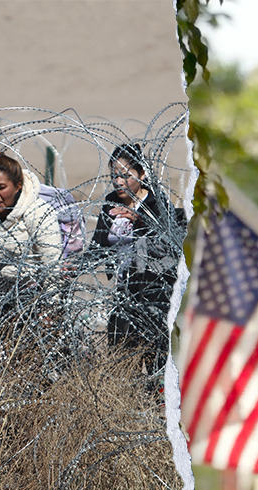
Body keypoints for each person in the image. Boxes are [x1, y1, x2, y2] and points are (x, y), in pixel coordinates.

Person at [91, 143, 182, 374]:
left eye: (125, 176)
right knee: (120, 365)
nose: (118, 182)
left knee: (157, 366)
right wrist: (75, 264)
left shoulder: (156, 204)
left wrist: (139, 220)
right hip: (124, 294)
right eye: (114, 176)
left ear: (142, 174)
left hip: (155, 295)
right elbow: (98, 245)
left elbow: (169, 246)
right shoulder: (111, 203)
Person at [0, 150, 63, 279]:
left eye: (1, 187)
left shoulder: (39, 212)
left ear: (18, 186)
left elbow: (53, 268)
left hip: (32, 292)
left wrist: (48, 298)